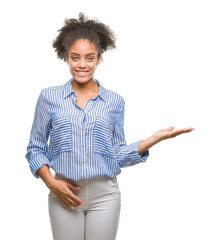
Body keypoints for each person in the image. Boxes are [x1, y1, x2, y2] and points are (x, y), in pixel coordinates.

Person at [25, 12, 194, 240]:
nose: (82, 65)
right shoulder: (49, 97)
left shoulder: (115, 101)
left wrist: (153, 139)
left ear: (99, 58)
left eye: (89, 58)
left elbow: (116, 154)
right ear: (66, 57)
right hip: (63, 193)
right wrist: (50, 182)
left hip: (105, 196)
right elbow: (35, 148)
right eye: (75, 58)